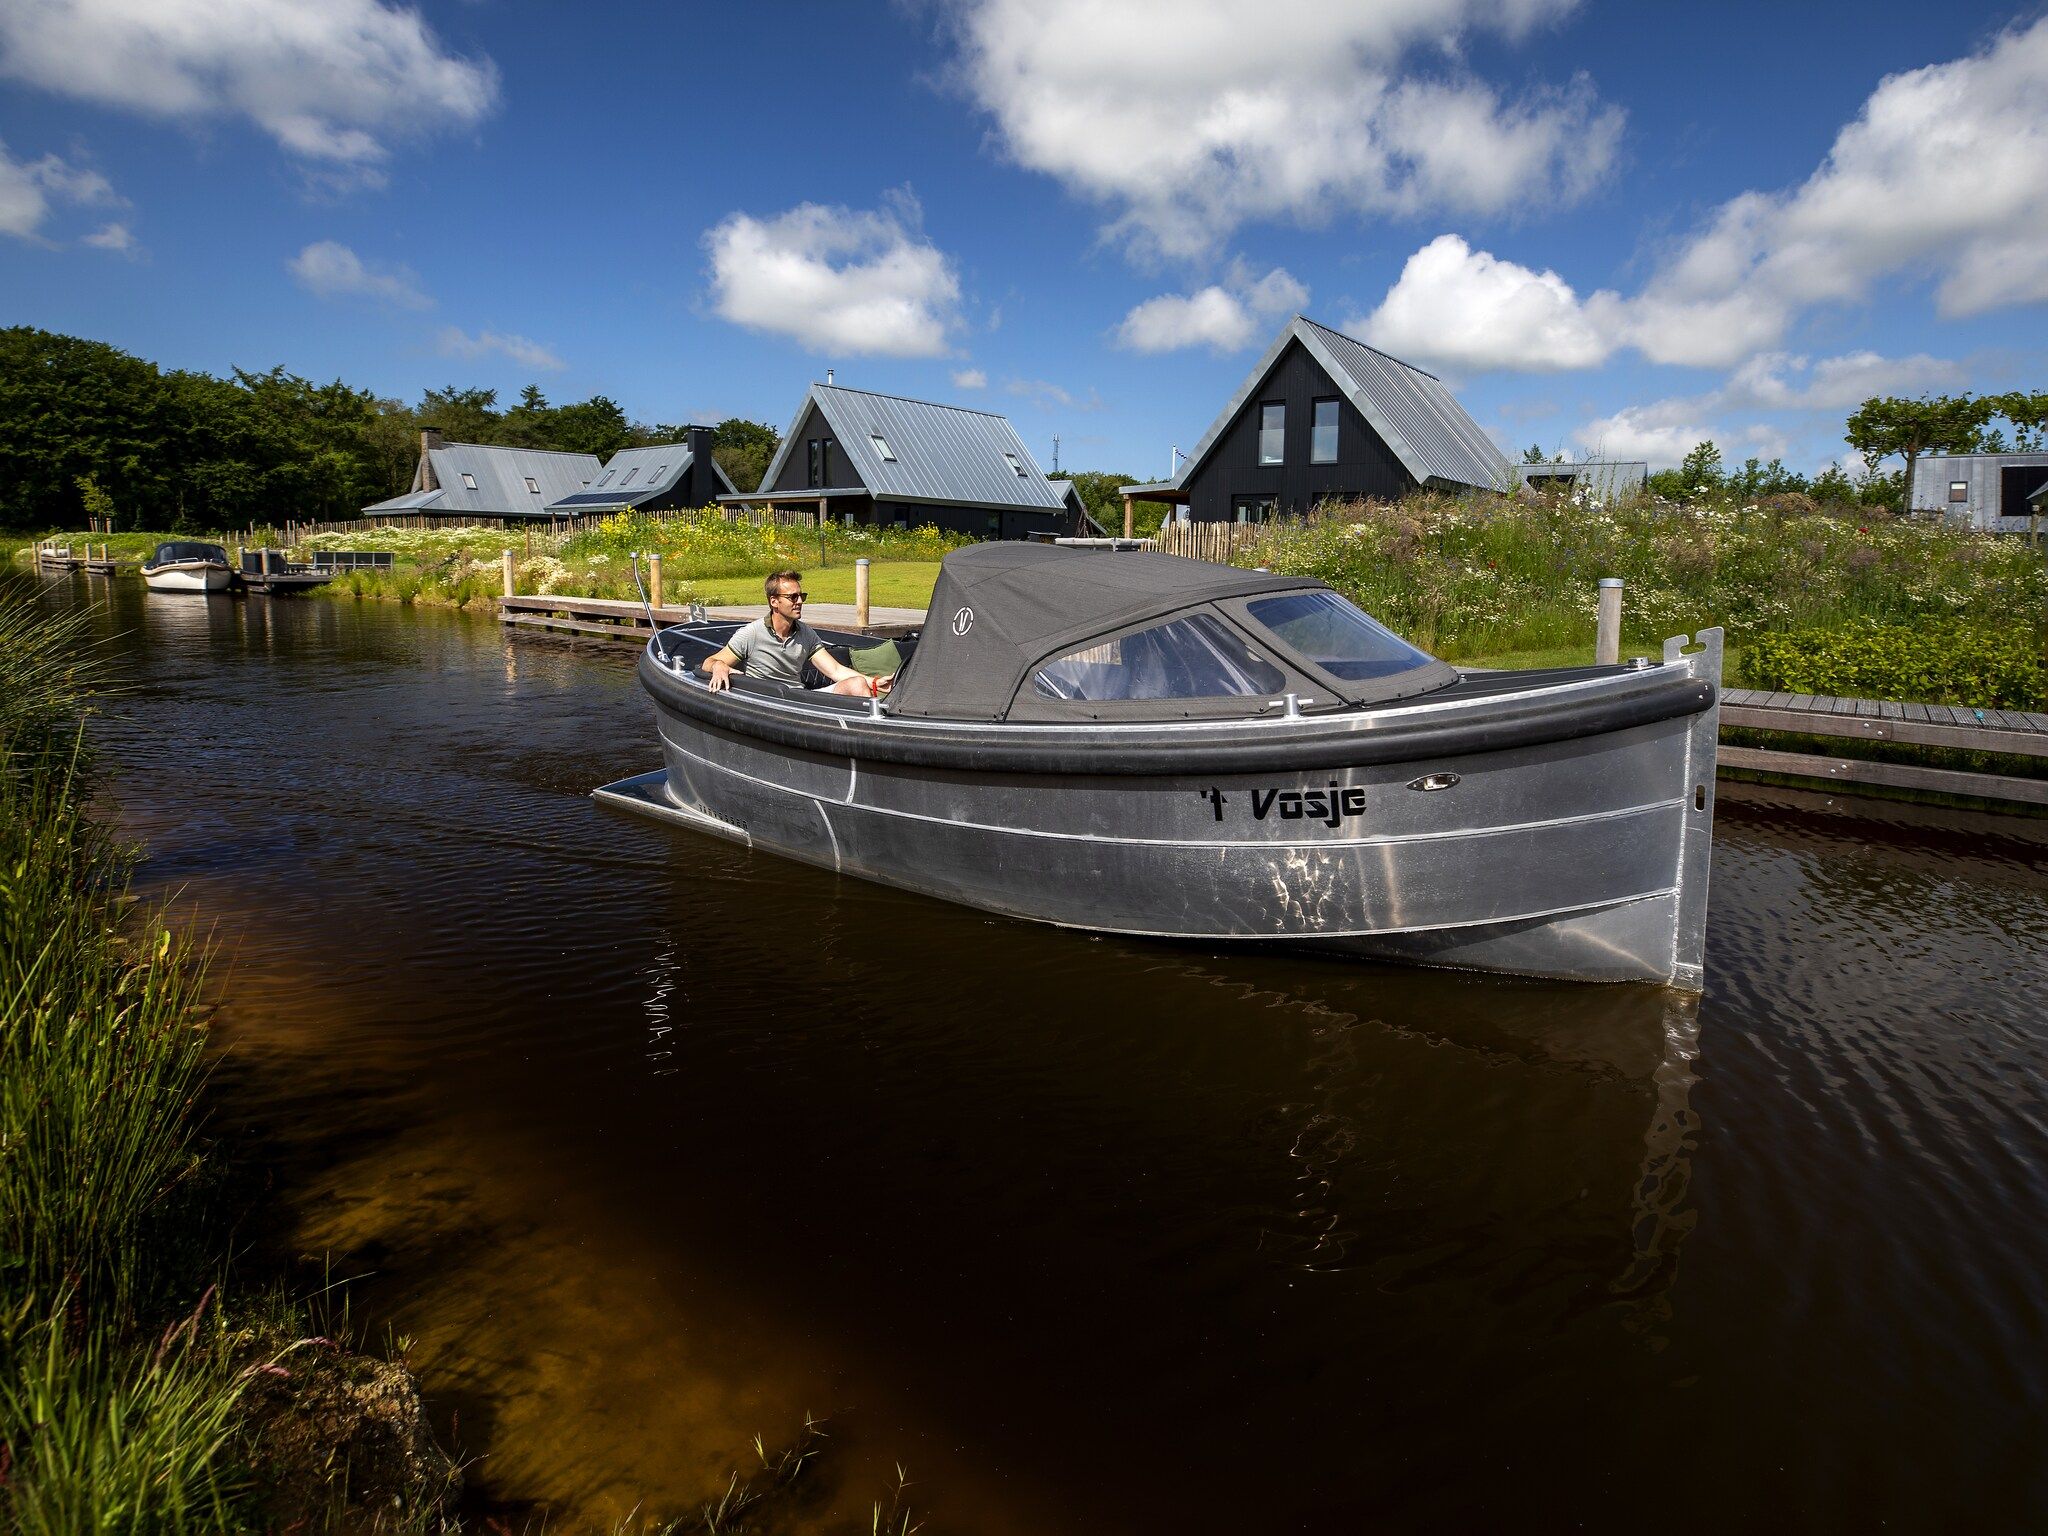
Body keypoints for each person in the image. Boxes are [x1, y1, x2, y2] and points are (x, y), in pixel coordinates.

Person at [700, 570, 890, 696]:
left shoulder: (806, 633)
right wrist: (718, 666)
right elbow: (708, 662)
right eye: (792, 597)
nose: (799, 601)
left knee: (856, 684)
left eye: (802, 596)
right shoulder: (751, 633)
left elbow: (835, 670)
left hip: (798, 698)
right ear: (774, 602)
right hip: (767, 701)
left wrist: (873, 682)